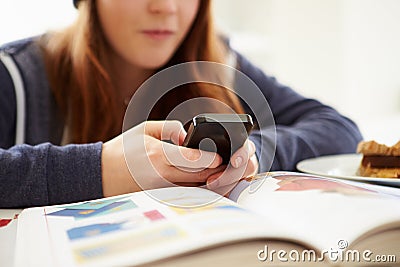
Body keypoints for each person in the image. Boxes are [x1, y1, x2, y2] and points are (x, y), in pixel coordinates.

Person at [0, 0, 362, 208]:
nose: (166, 7)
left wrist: (251, 151)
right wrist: (100, 170)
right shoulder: (14, 76)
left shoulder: (222, 63)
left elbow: (337, 127)